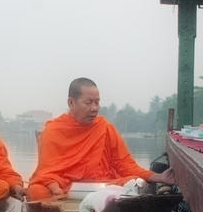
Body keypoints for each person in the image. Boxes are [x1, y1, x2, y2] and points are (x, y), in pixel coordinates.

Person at [27, 78, 175, 200]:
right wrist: (54, 187)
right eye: (88, 102)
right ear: (71, 103)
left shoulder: (104, 127)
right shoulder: (54, 130)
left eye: (97, 102)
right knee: (36, 192)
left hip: (101, 185)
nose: (94, 108)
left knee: (136, 183)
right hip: (65, 187)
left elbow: (125, 165)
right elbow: (46, 172)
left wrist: (158, 177)